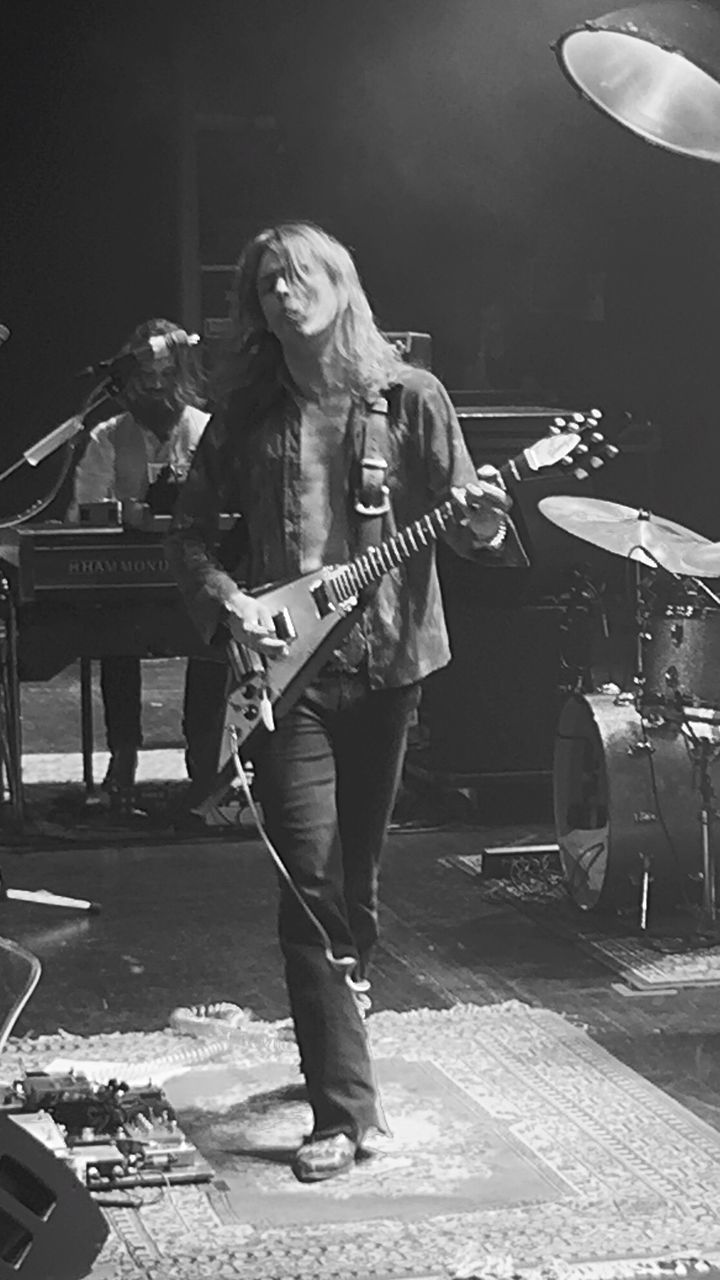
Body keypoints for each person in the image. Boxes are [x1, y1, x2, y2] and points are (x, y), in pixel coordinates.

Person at [166, 222, 525, 1182]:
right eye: (269, 282)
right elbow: (190, 537)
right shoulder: (243, 412)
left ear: (342, 285)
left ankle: (334, 1047)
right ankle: (341, 1112)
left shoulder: (410, 398)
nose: (287, 293)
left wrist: (486, 519)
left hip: (392, 666)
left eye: (304, 275)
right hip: (290, 685)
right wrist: (229, 601)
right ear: (256, 305)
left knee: (354, 887)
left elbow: (471, 529)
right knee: (310, 887)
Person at [67, 316, 227, 817]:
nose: (155, 386)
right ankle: (123, 764)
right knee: (117, 642)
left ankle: (205, 766)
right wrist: (125, 514)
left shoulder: (206, 432)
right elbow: (83, 511)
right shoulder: (107, 436)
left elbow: (229, 506)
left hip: (197, 571)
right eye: (145, 378)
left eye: (165, 376)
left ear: (182, 375)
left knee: (210, 650)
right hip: (127, 576)